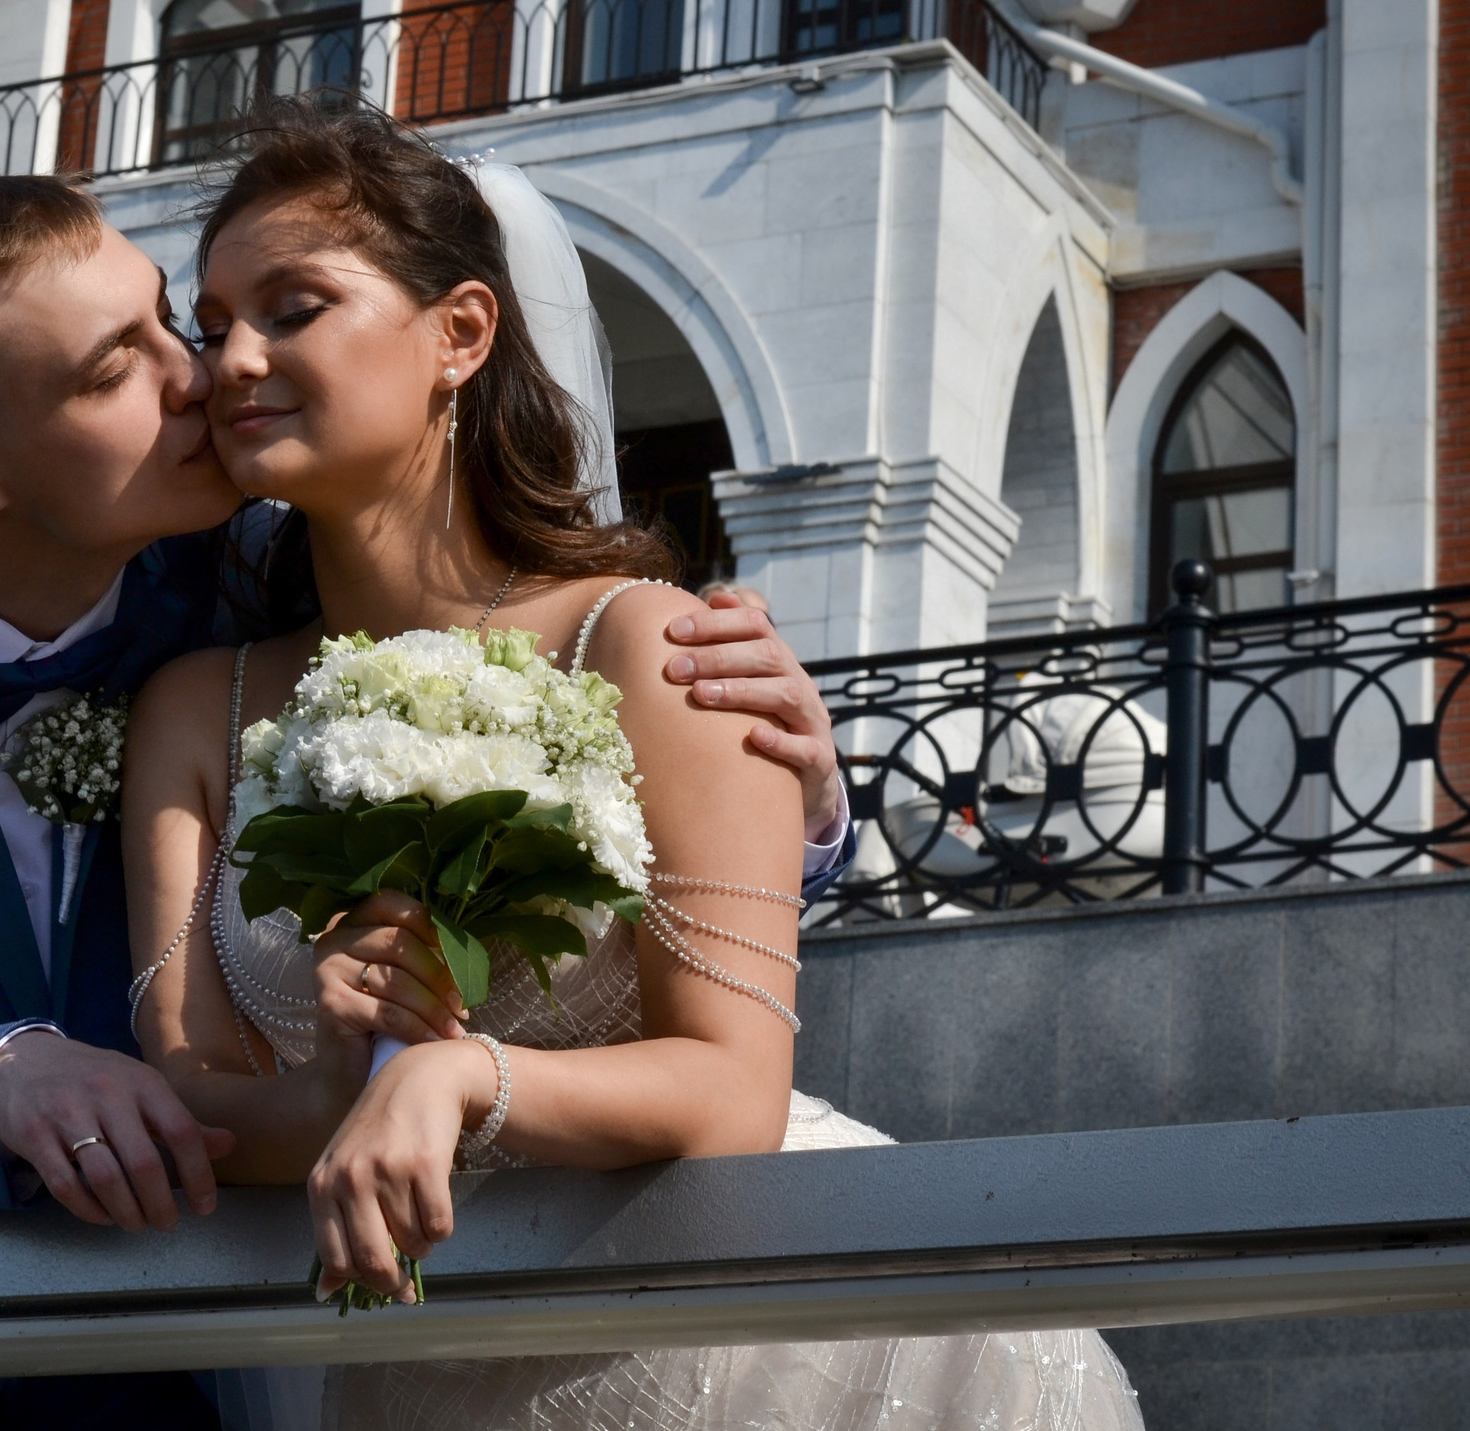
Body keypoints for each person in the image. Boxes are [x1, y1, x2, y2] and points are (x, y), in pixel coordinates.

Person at [0, 167, 860, 1431]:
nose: (200, 375)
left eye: (176, 321)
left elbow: (566, 747)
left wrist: (795, 793)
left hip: (202, 1356)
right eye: (120, 367)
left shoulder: (255, 537)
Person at [123, 101, 1143, 1431]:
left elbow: (732, 1086)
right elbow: (186, 1096)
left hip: (794, 1350)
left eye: (294, 305)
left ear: (462, 333)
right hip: (402, 1352)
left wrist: (453, 1075)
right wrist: (337, 1083)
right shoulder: (202, 704)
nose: (233, 359)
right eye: (212, 323)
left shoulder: (652, 642)